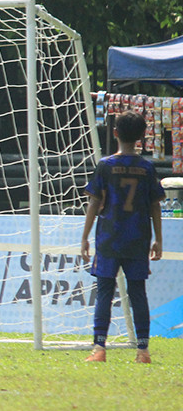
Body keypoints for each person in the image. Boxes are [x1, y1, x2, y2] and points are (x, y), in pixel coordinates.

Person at [81, 110, 163, 364]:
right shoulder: (147, 168)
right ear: (142, 136)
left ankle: (99, 348)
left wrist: (84, 236)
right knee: (137, 292)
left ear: (115, 133)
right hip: (138, 237)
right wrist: (158, 238)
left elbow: (94, 202)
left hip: (109, 237)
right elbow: (154, 205)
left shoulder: (106, 166)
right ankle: (143, 351)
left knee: (105, 291)